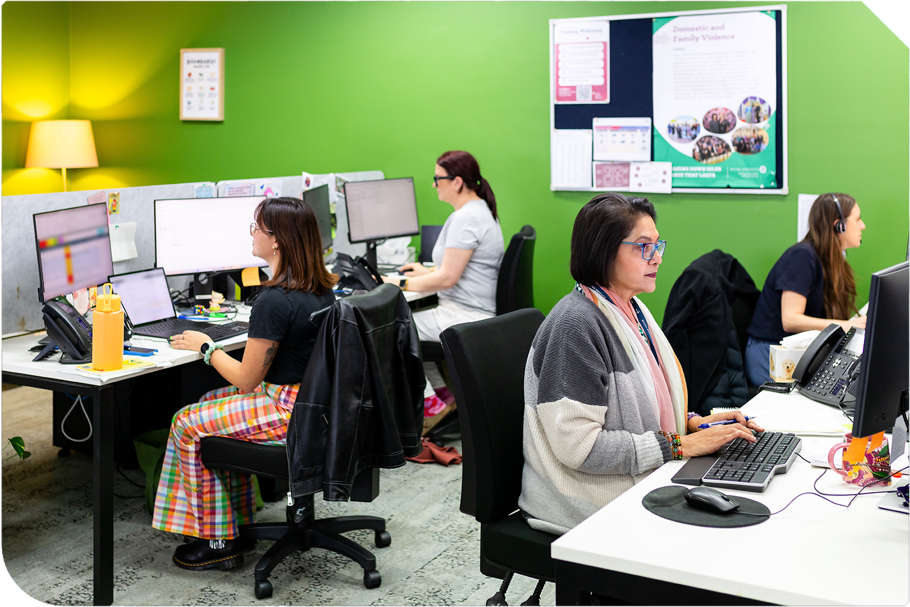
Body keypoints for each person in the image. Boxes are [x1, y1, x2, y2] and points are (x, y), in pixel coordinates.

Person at [518, 193, 762, 534]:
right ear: (603, 251)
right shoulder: (575, 326)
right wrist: (678, 444)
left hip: (633, 481)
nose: (657, 258)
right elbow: (579, 448)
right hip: (584, 504)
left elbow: (635, 407)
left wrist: (692, 423)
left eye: (657, 245)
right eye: (644, 247)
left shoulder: (631, 309)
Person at [152, 197, 337, 570]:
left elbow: (248, 381)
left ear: (277, 240)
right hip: (316, 406)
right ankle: (234, 519)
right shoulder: (319, 287)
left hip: (287, 412)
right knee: (207, 400)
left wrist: (207, 347)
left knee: (185, 423)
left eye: (257, 227)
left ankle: (218, 541)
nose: (252, 234)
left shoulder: (274, 301)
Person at [383, 150, 504, 415]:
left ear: (457, 182)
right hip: (472, 311)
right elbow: (457, 267)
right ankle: (441, 394)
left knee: (392, 329)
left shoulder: (466, 218)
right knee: (409, 322)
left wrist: (394, 283)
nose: (434, 184)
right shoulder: (478, 210)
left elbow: (448, 278)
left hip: (465, 316)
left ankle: (428, 402)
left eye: (438, 178)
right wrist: (425, 272)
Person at [744, 193, 866, 387]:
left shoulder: (831, 259)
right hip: (772, 352)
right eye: (858, 219)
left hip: (797, 352)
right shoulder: (802, 256)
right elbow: (790, 320)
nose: (863, 226)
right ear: (839, 226)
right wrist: (845, 325)